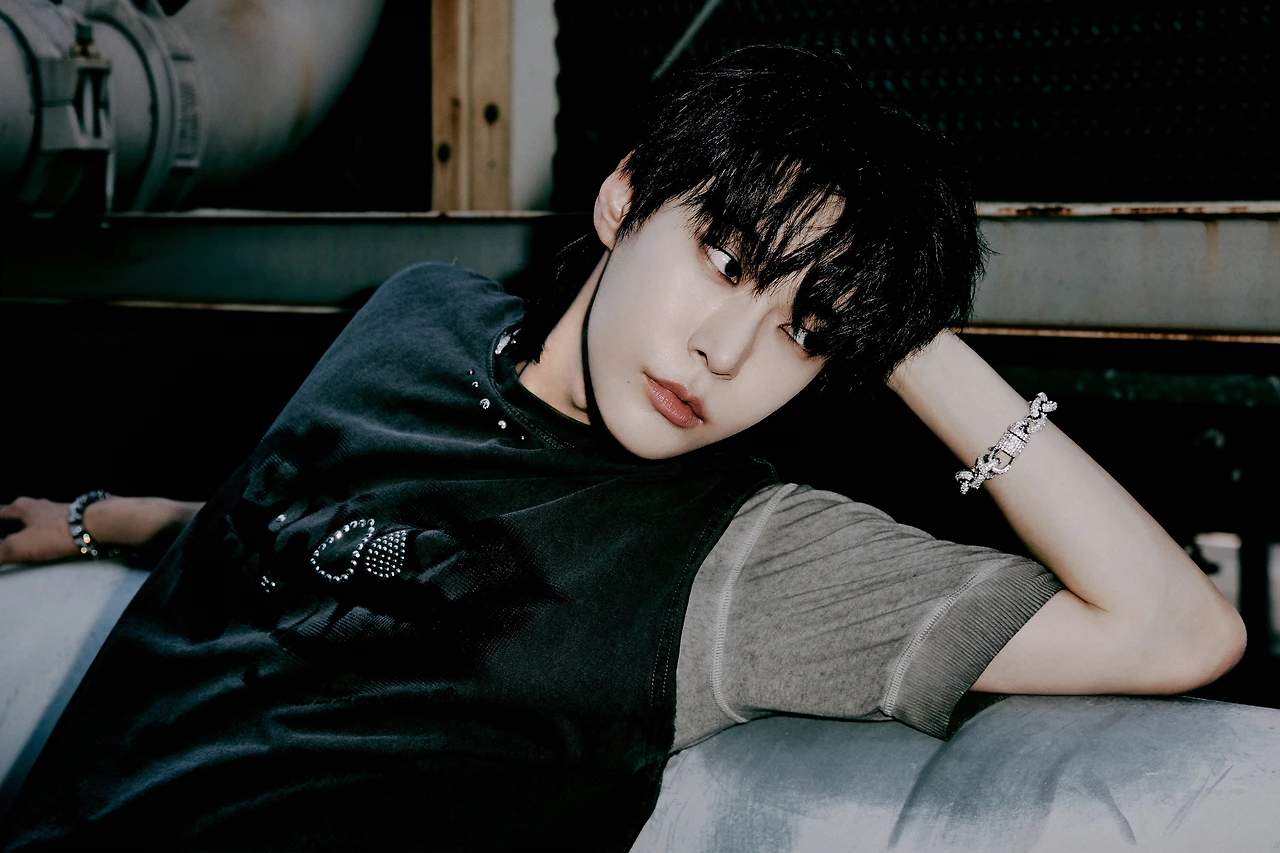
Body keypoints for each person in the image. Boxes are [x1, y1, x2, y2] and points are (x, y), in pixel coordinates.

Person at [0, 45, 1244, 851]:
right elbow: (309, 527)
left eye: (803, 332)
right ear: (621, 199)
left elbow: (1174, 630)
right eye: (725, 260)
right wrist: (100, 520)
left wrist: (902, 331)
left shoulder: (741, 559)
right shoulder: (416, 316)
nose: (724, 352)